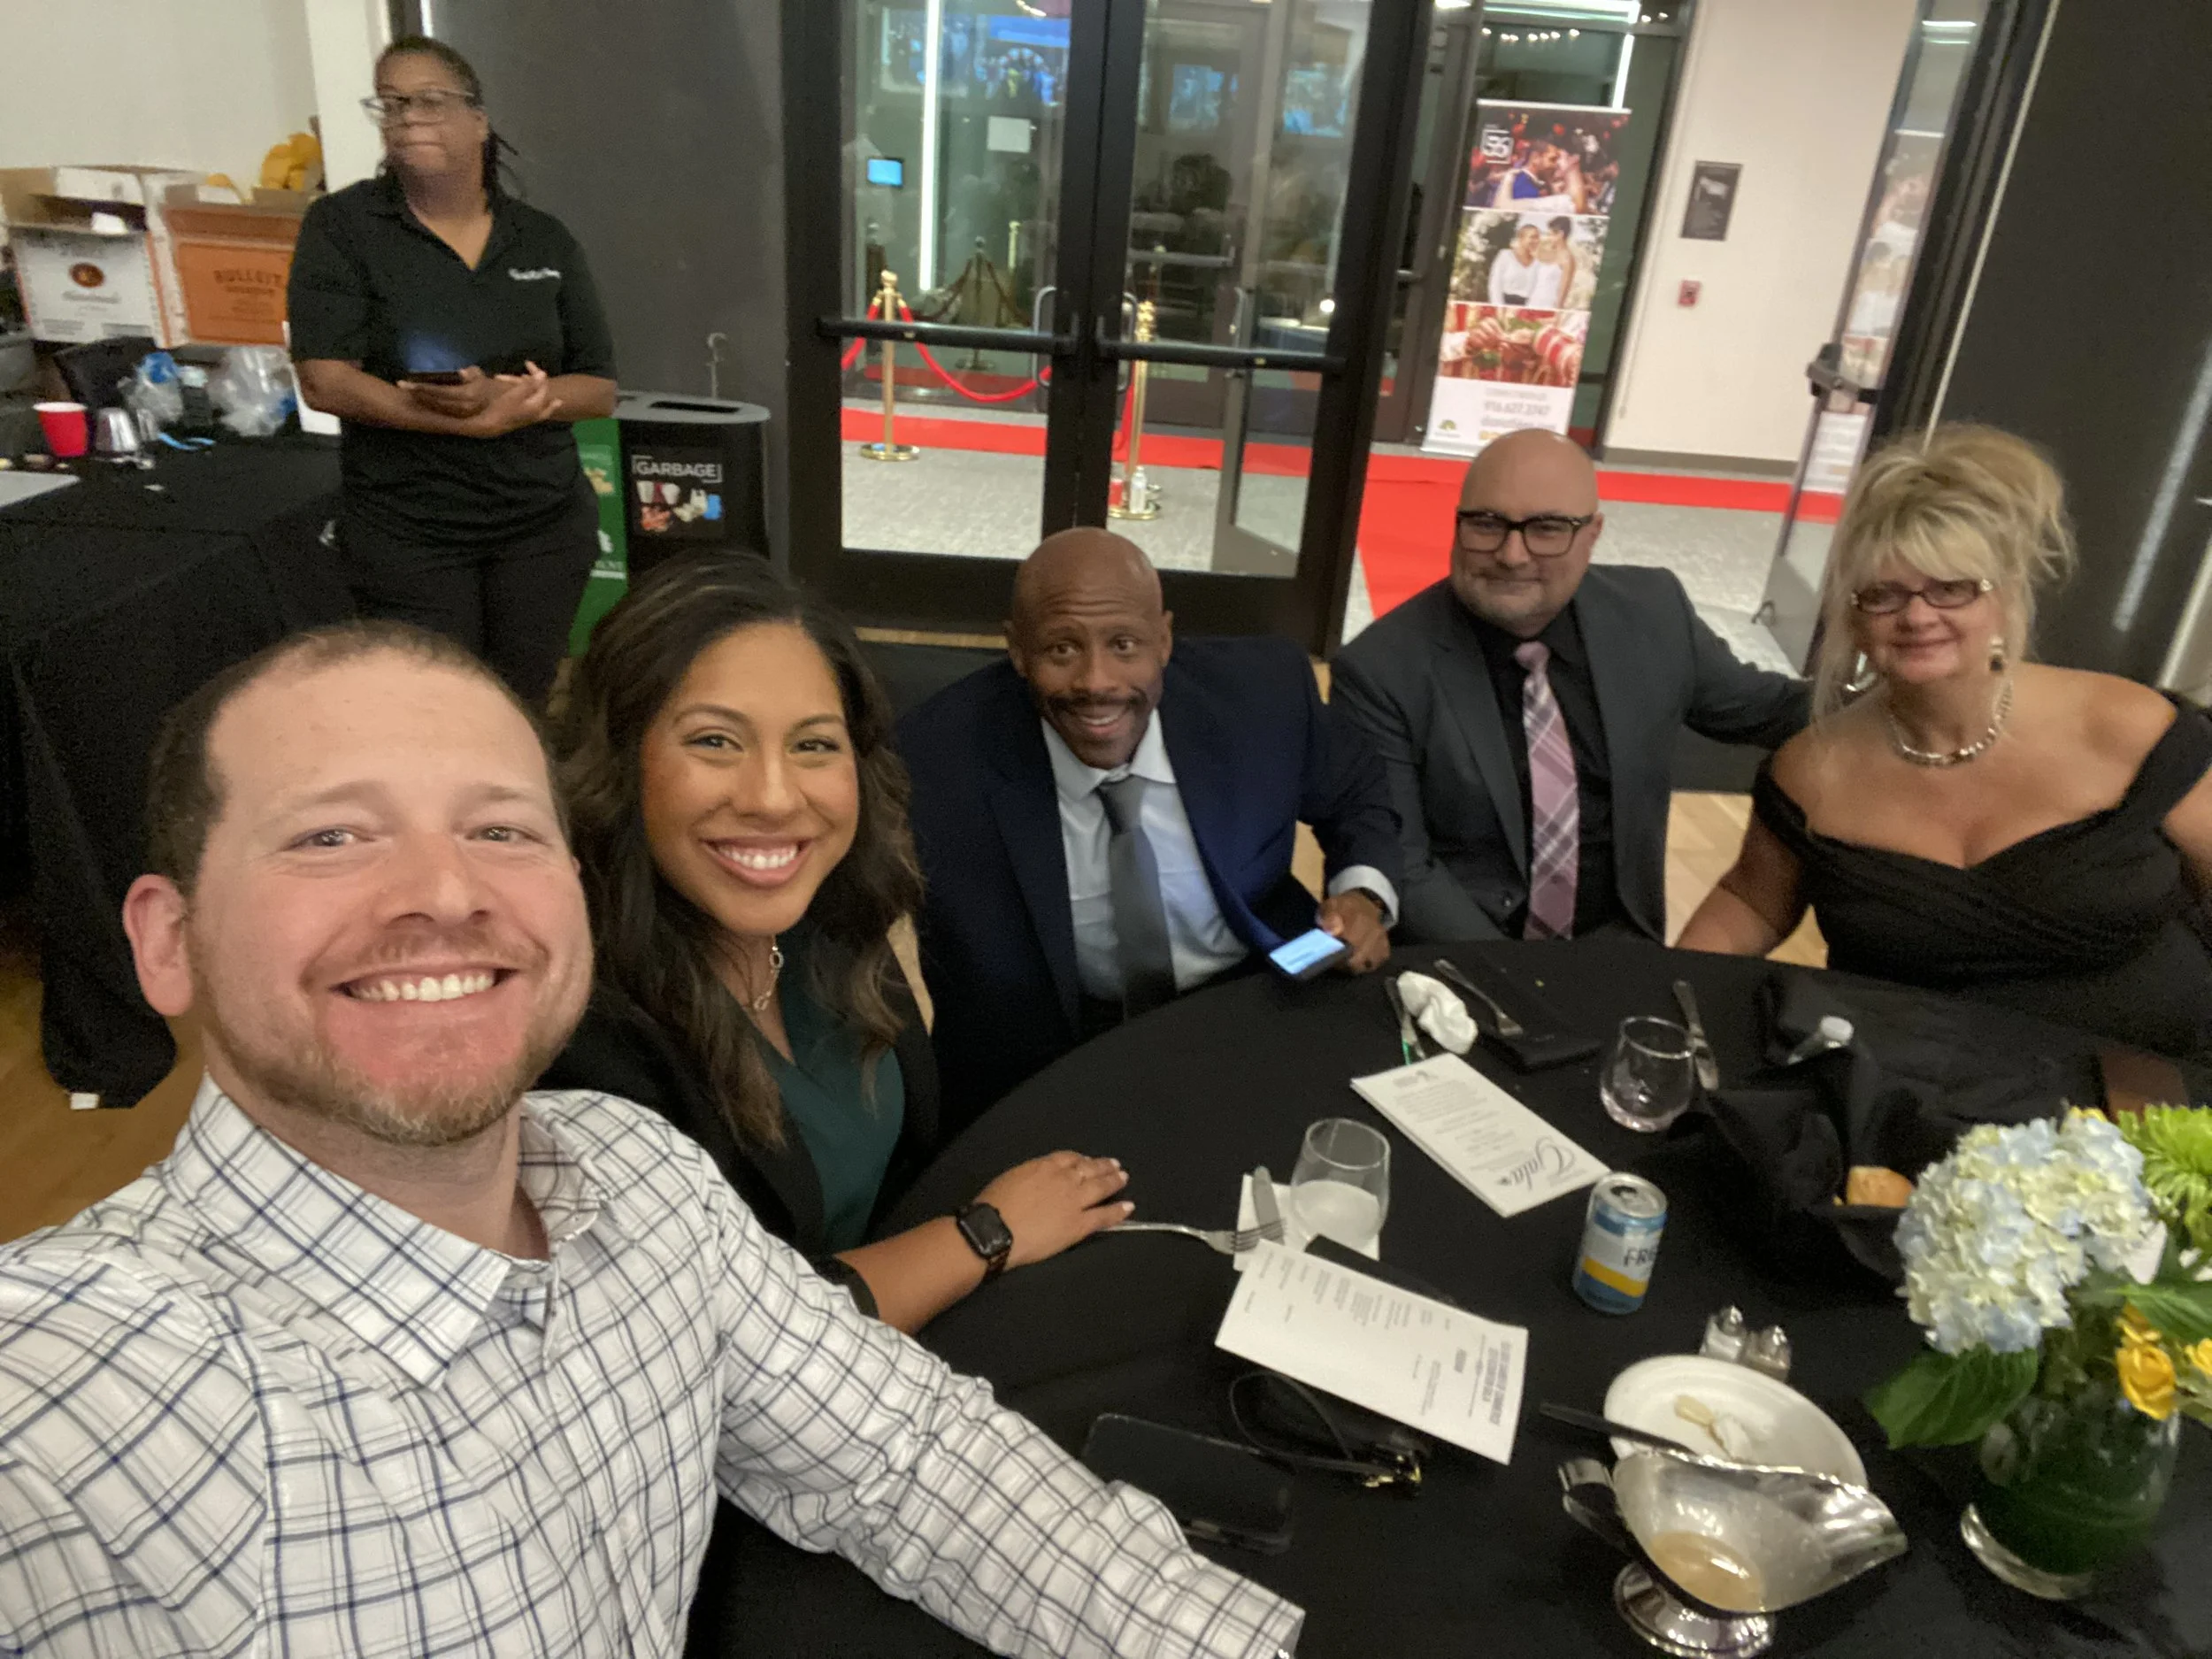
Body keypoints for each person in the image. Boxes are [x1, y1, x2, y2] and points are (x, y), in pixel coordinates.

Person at [0, 620, 1302, 1657]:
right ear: (165, 940)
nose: (445, 891)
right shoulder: (71, 1411)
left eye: (500, 829)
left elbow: (908, 1459)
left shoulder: (632, 1170)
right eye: (332, 834)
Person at [541, 553, 1131, 1336]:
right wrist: (983, 1235)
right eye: (715, 740)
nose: (773, 797)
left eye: (814, 745)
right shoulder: (577, 1043)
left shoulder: (832, 920)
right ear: (619, 760)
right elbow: (711, 1336)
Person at [1679, 426, 2212, 1060]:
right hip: (1911, 1084)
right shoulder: (1810, 771)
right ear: (1853, 618)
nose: (1917, 616)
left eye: (1951, 587)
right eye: (1883, 595)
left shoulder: (2130, 726)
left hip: (2152, 1083)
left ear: (2004, 597)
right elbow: (1752, 902)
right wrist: (1664, 994)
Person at [900, 528, 1402, 1124]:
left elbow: (1357, 793)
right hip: (1055, 1042)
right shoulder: (932, 761)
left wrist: (1363, 894)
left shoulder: (1264, 695)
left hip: (1259, 987)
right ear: (1016, 650)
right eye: (1061, 649)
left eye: (1124, 644)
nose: (1097, 682)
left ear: (1164, 640)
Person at [1333, 429, 1809, 943]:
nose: (1513, 554)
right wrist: (1527, 982)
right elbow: (1404, 865)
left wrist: (1875, 688)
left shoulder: (1653, 613)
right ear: (1457, 524)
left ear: (1593, 533)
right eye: (1487, 523)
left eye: (1547, 529)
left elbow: (1772, 710)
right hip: (1460, 962)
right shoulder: (1381, 669)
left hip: (1620, 951)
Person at [288, 35, 618, 705]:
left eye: (431, 100)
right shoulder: (343, 227)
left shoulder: (543, 239)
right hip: (409, 533)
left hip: (542, 528)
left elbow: (599, 388)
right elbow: (324, 380)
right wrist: (456, 420)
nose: (409, 117)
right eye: (392, 104)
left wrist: (510, 398)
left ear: (479, 120)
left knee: (520, 702)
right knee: (433, 709)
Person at [1487, 219, 1546, 308]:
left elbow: (1538, 291)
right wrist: (1499, 307)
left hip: (1527, 307)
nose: (1536, 241)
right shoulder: (1505, 256)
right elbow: (1495, 284)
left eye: (1538, 238)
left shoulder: (1538, 263)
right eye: (1533, 237)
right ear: (1521, 238)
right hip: (1504, 304)